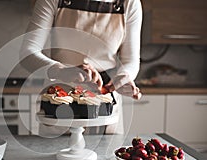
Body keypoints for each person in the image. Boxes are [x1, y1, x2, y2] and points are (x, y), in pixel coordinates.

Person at [20, 0, 143, 134]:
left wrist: (125, 76)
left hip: (104, 98)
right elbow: (27, 53)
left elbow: (130, 60)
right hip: (60, 97)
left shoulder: (129, 3)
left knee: (105, 153)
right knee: (57, 153)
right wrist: (60, 70)